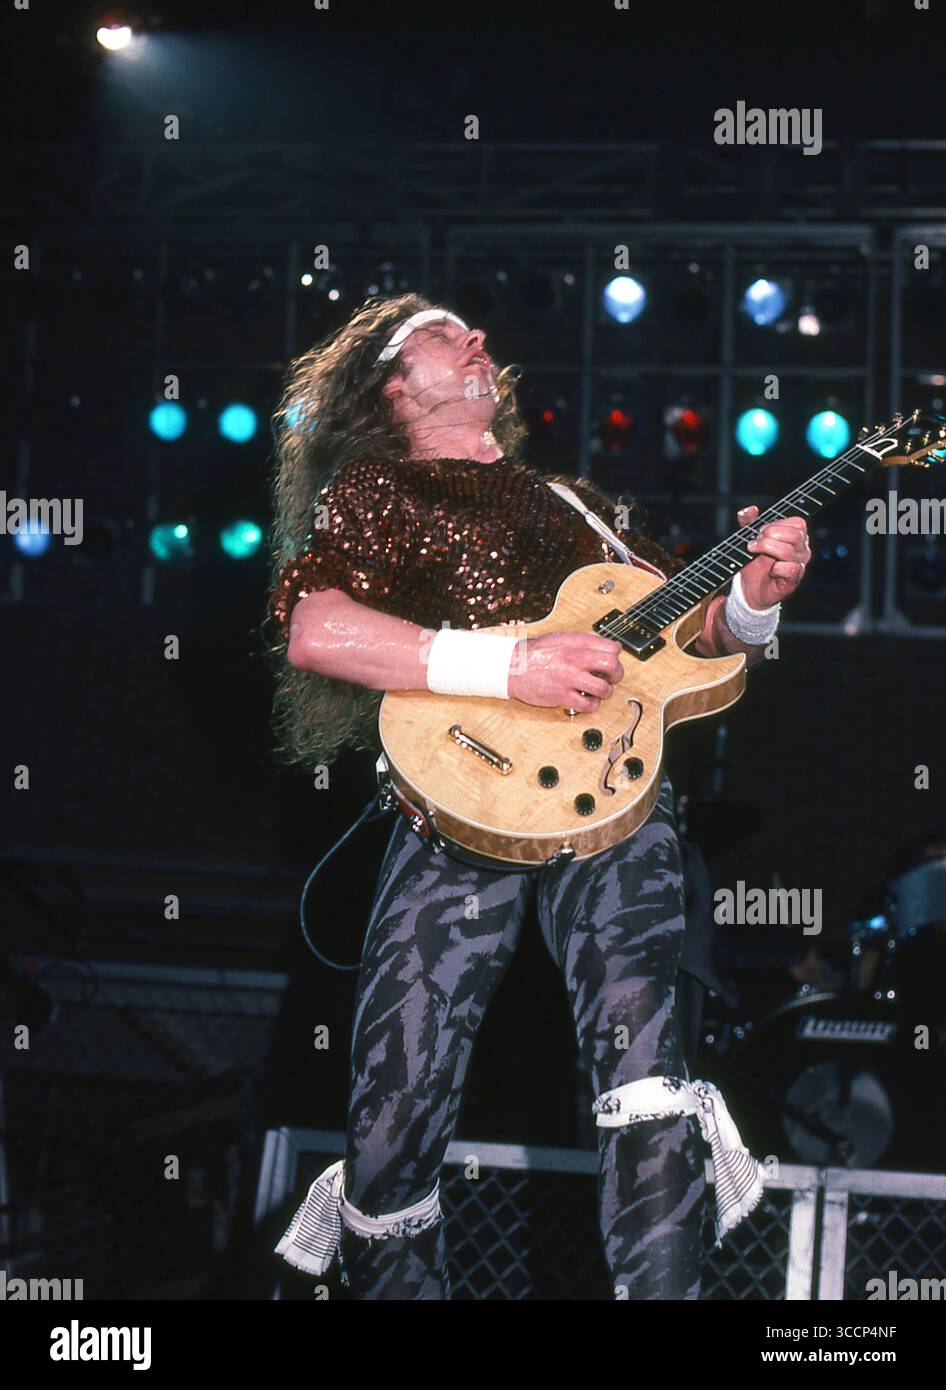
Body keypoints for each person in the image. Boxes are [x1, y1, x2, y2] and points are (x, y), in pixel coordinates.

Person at [265, 293, 811, 1300]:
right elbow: (317, 630)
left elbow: (684, 653)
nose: (475, 336)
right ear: (392, 384)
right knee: (394, 1112)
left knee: (650, 1083)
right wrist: (509, 665)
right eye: (440, 333)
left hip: (615, 808)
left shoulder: (575, 505)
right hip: (457, 807)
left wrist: (750, 602)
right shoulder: (381, 490)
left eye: (474, 328)